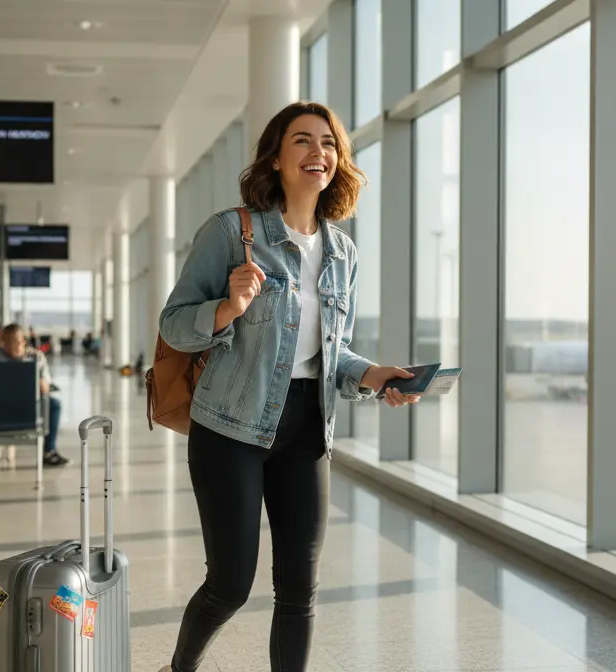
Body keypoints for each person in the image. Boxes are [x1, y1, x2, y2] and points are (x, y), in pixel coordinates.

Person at [157, 101, 419, 672]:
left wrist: (376, 376)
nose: (317, 153)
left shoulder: (342, 251)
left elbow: (333, 351)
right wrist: (228, 306)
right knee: (230, 584)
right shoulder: (233, 232)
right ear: (276, 159)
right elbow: (174, 323)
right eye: (302, 141)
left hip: (307, 428)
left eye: (328, 144)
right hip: (230, 423)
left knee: (300, 591)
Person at [0, 323, 66, 467]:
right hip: (0, 405)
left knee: (54, 404)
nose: (9, 346)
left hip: (29, 404)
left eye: (13, 341)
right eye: (5, 341)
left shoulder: (36, 357)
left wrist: (41, 383)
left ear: (23, 341)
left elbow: (46, 386)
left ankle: (49, 450)